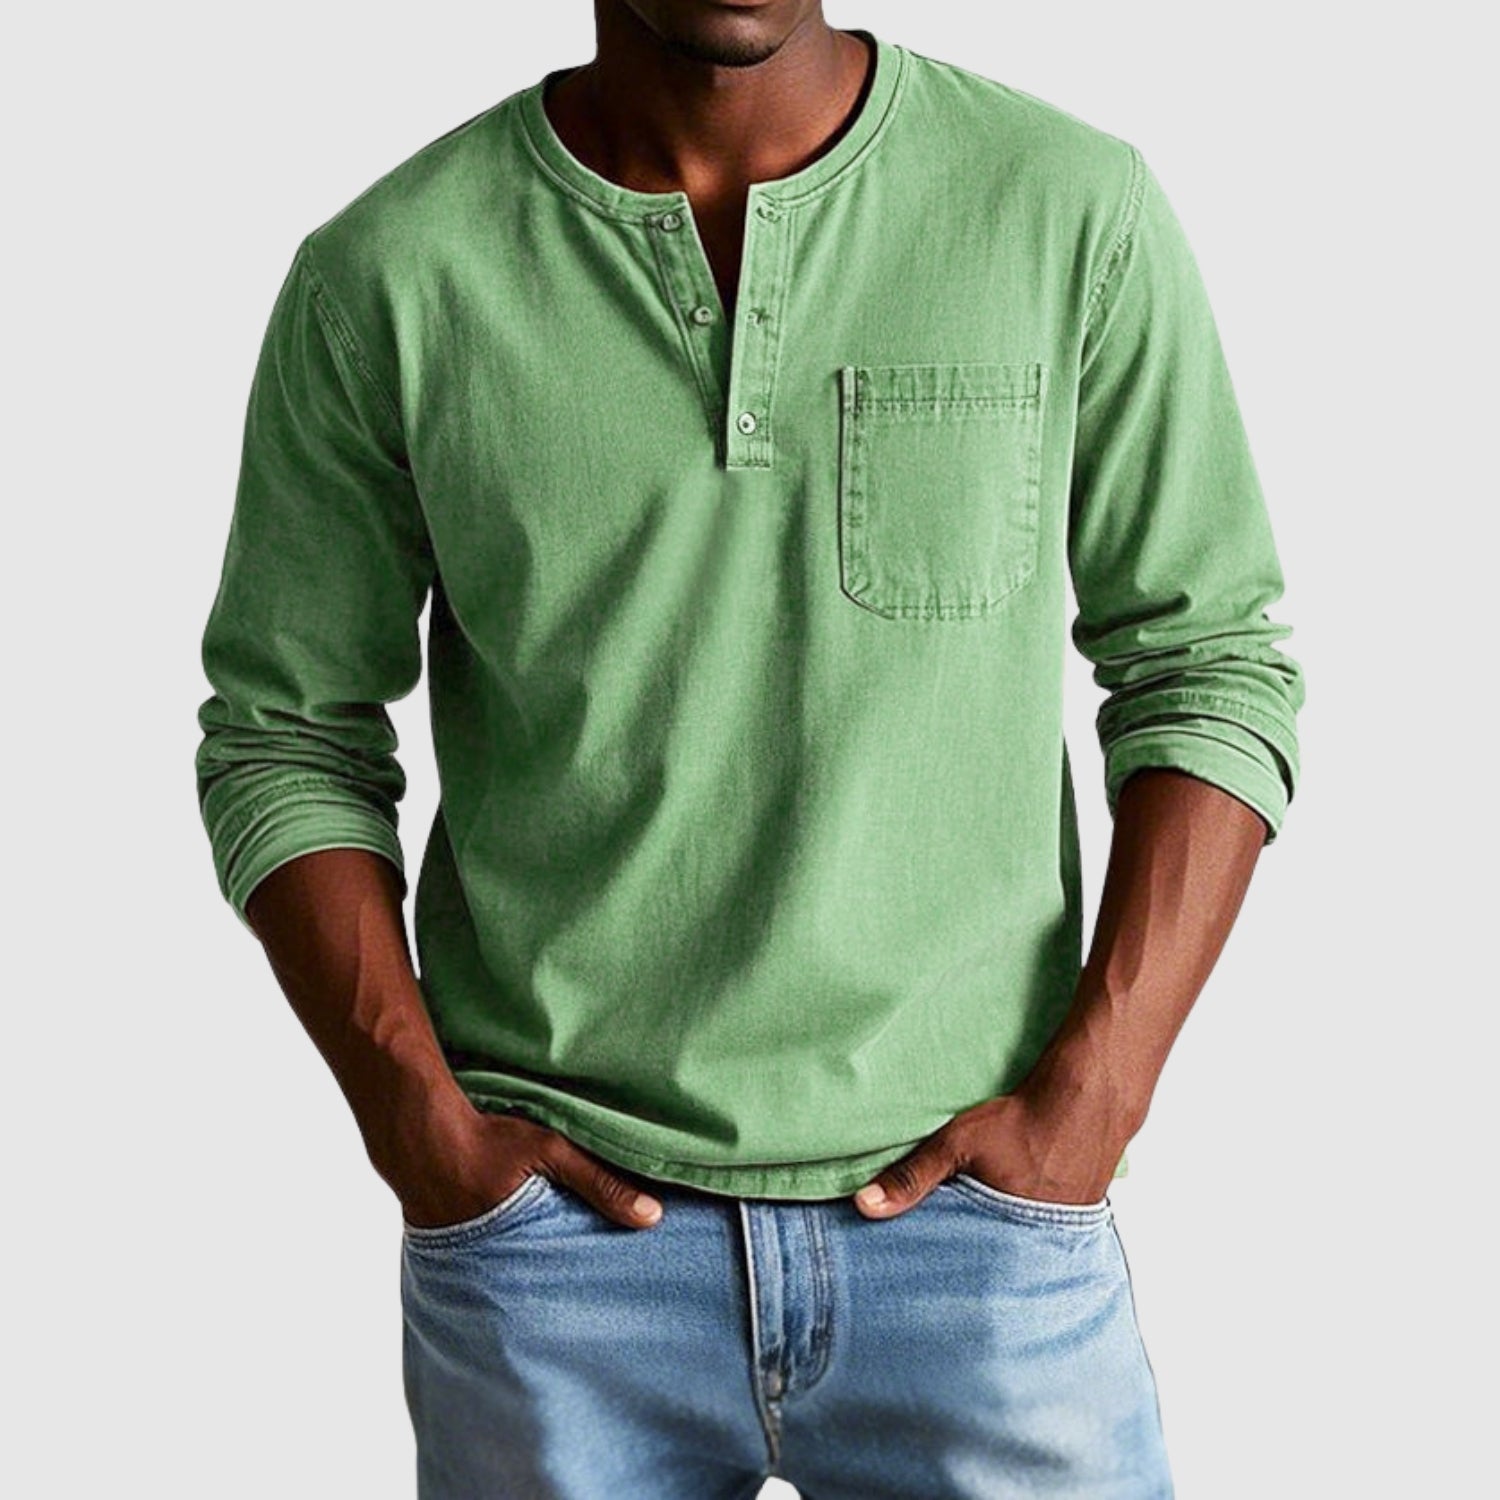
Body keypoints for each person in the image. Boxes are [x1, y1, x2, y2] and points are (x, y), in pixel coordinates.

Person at [194, 3, 1304, 1495]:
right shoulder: (391, 273)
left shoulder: (1065, 209)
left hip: (980, 1238)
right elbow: (287, 732)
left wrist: (1096, 1095)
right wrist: (421, 1127)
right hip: (558, 1257)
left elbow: (1207, 662)